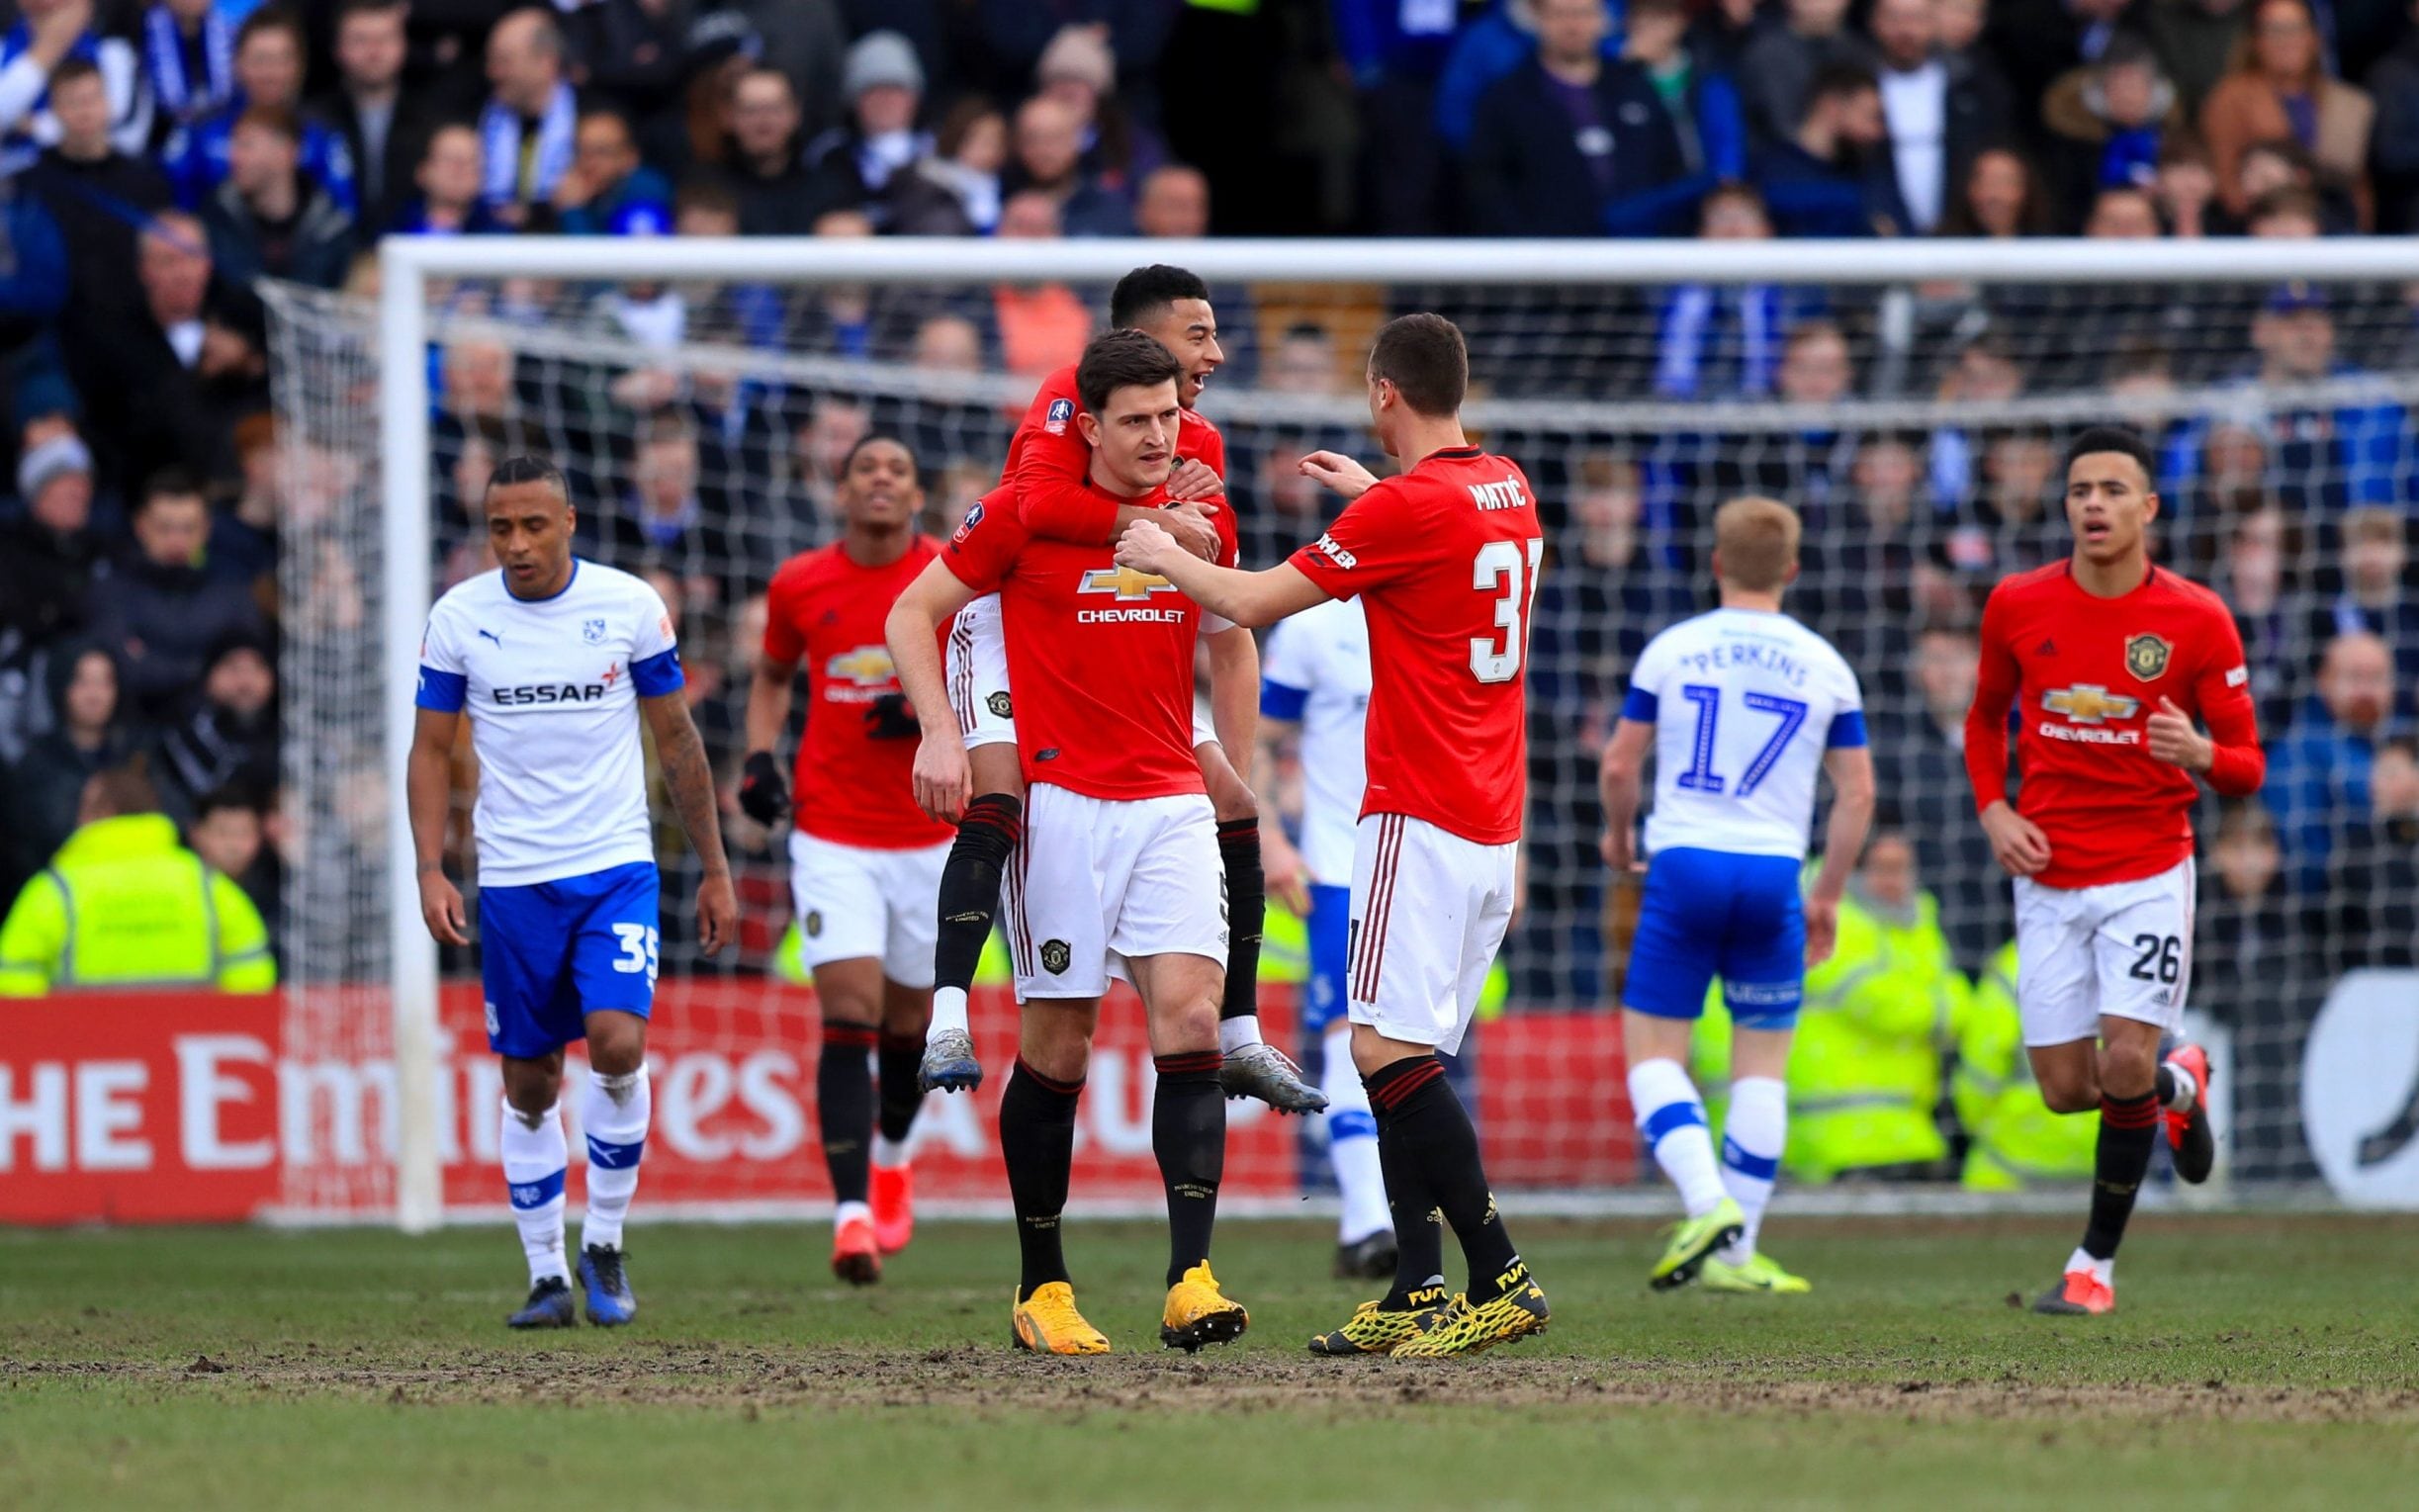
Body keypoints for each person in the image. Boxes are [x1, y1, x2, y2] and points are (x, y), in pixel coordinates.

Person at [1115, 312, 1552, 1360]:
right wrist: (1374, 493)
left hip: (1418, 814)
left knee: (1379, 1052)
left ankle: (1499, 1273)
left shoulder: (1406, 510)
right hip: (1491, 822)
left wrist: (1159, 550)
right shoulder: (1506, 485)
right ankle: (1415, 1284)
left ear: (1382, 392)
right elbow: (1436, 525)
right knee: (1405, 1051)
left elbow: (1250, 597)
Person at [883, 331, 1259, 1357]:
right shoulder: (1023, 513)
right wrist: (939, 731)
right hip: (1061, 807)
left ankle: (1190, 1277)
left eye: (1169, 416)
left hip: (1167, 798)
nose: (1157, 435)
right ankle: (1042, 1284)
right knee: (1060, 1042)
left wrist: (1237, 765)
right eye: (1134, 420)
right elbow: (912, 613)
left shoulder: (1197, 515)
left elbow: (1235, 625)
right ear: (1086, 426)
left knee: (1189, 1017)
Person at [911, 264, 1320, 1116]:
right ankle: (947, 1016)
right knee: (1001, 791)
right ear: (1140, 342)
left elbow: (1226, 612)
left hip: (1123, 647)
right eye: (1198, 335)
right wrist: (1162, 520)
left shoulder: (1200, 439)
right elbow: (1036, 501)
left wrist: (1228, 762)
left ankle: (1241, 1030)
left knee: (1232, 797)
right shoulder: (1066, 397)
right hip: (1015, 616)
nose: (1216, 353)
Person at [407, 455, 738, 1330]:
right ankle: (547, 1273)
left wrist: (714, 868)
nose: (516, 544)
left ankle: (605, 1241)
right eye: (500, 528)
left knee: (618, 1042)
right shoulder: (459, 617)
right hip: (513, 879)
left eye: (533, 525)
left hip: (614, 866)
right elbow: (431, 749)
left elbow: (678, 740)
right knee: (530, 1080)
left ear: (569, 522)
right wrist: (430, 867)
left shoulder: (627, 606)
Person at [1964, 425, 2263, 1315]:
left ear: (2148, 508)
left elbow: (2248, 765)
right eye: (2080, 489)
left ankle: (2093, 1266)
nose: (2093, 503)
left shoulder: (2198, 617)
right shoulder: (2017, 602)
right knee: (2068, 1090)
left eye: (2112, 489)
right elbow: (1983, 719)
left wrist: (2199, 752)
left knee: (2125, 1057)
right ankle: (2184, 1082)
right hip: (2049, 869)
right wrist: (1994, 809)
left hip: (2147, 870)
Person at [1596, 495, 1876, 1294]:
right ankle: (1738, 1249)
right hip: (1773, 871)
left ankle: (1705, 1200)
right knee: (1762, 1068)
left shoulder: (1674, 648)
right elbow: (1857, 793)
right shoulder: (1825, 663)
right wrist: (1827, 893)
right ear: (1792, 569)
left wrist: (1619, 834)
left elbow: (1619, 764)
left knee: (1654, 1053)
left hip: (1685, 863)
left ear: (1716, 563)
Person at [737, 435, 951, 1286]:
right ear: (841, 492)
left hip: (930, 832)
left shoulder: (951, 574)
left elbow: (992, 676)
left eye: (899, 469)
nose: (882, 479)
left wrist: (931, 717)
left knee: (907, 1027)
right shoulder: (800, 582)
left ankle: (894, 1156)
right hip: (831, 832)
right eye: (866, 468)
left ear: (918, 494)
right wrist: (760, 756)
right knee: (849, 1012)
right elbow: (771, 676)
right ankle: (851, 1213)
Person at [1256, 593, 1395, 1280]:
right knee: (1350, 1037)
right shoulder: (1312, 626)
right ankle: (1369, 1221)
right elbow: (1259, 735)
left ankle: (1378, 1221)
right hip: (1342, 867)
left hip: (1430, 862)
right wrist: (1270, 835)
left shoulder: (1447, 603)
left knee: (1411, 1046)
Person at [1785, 828, 1967, 1184]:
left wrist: (1931, 1007)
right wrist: (1936, 1010)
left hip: (1911, 1129)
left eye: (1902, 869)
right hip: (1840, 1134)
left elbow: (1962, 1002)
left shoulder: (1917, 920)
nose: (1893, 880)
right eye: (1882, 868)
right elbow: (1882, 1007)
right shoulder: (1829, 920)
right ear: (1855, 870)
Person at [0, 763, 273, 995]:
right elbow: (252, 977)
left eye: (84, 807)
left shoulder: (57, 890)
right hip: (188, 1038)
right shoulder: (208, 886)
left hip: (85, 1040)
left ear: (104, 813)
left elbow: (13, 980)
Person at [1464, 0, 1688, 237]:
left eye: (1583, 13)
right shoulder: (1507, 97)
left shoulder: (1633, 85)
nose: (1573, 26)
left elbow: (1670, 166)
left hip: (1639, 248)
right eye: (1560, 14)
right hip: (1547, 250)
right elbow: (1488, 184)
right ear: (1538, 20)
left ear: (1602, 20)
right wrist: (1526, 242)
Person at [89, 471, 266, 722]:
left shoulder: (232, 592)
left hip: (220, 731)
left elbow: (250, 667)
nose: (177, 540)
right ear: (140, 525)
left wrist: (153, 660)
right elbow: (123, 669)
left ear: (206, 528)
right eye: (164, 528)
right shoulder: (111, 590)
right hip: (136, 730)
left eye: (188, 528)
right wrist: (206, 672)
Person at [311, 0, 430, 237]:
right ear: (337, 49)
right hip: (331, 251)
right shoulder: (314, 122)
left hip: (410, 248)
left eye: (385, 39)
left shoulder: (433, 123)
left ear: (403, 45)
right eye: (360, 40)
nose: (374, 52)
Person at [479, 8, 580, 226]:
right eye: (491, 61)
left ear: (546, 63)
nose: (492, 72)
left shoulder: (590, 121)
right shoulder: (475, 114)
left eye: (504, 61)